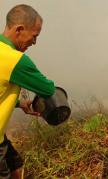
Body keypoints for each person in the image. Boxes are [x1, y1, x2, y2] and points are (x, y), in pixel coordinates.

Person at [0, 4, 55, 178]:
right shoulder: (15, 60)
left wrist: (17, 103)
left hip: (1, 136)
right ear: (19, 29)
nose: (34, 42)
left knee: (17, 167)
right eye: (34, 36)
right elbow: (47, 89)